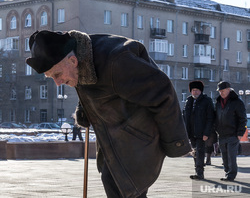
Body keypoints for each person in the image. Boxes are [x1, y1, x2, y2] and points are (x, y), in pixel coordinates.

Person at [26, 30, 191, 198]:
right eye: (50, 77)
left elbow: (163, 92)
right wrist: (84, 109)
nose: (57, 82)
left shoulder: (116, 62)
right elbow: (90, 87)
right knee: (113, 182)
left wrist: (175, 143)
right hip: (114, 135)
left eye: (57, 74)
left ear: (73, 60)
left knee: (123, 187)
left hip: (139, 136)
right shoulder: (76, 58)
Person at [214, 81, 247, 182]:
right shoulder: (218, 102)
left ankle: (231, 175)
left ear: (229, 89)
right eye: (220, 91)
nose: (221, 93)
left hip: (233, 134)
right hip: (222, 134)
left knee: (231, 156)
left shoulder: (237, 102)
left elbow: (243, 119)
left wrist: (240, 133)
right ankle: (227, 173)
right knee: (224, 156)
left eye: (223, 91)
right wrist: (216, 129)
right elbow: (215, 117)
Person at [183, 81, 214, 180]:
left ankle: (200, 173)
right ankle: (197, 171)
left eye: (196, 90)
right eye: (193, 90)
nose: (194, 92)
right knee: (195, 153)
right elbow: (185, 117)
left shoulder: (207, 101)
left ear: (201, 91)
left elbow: (210, 118)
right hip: (191, 133)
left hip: (201, 133)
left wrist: (206, 133)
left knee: (200, 152)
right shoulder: (189, 101)